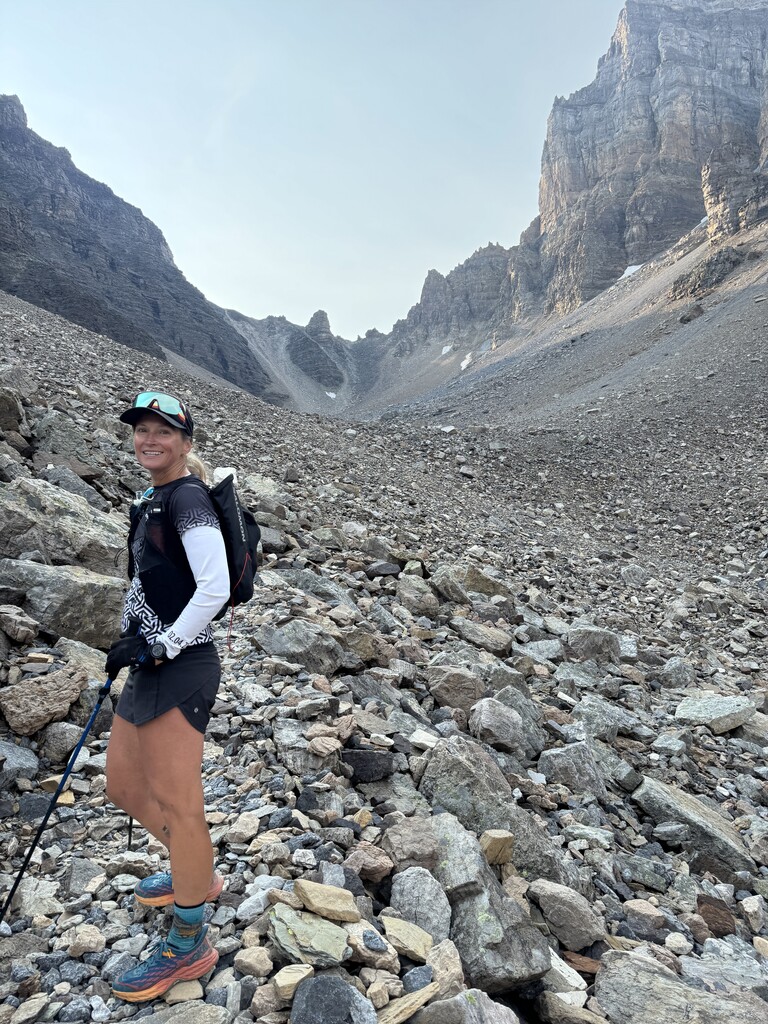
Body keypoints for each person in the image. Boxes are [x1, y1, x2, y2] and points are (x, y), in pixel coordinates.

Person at [104, 389, 230, 1003]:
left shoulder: (187, 498)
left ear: (184, 442)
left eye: (162, 431)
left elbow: (216, 586)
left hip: (180, 665)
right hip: (150, 661)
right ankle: (194, 871)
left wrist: (164, 645)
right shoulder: (151, 498)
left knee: (182, 807)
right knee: (123, 786)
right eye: (141, 429)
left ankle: (189, 940)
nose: (148, 439)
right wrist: (131, 638)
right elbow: (150, 583)